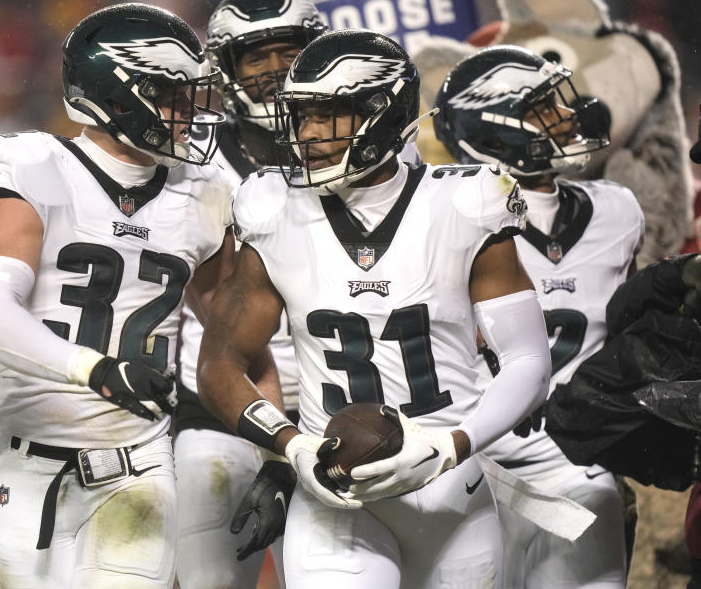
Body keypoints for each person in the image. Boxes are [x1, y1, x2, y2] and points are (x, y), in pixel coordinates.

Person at [197, 29, 551, 588]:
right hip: (333, 487)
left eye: (326, 115)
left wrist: (448, 445)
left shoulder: (466, 200)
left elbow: (529, 360)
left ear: (381, 114)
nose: (307, 134)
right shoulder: (270, 207)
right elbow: (220, 363)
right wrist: (291, 447)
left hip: (449, 483)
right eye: (301, 115)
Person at [0, 3, 236, 588]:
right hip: (28, 457)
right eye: (171, 94)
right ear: (116, 96)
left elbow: (236, 333)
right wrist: (95, 369)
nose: (188, 112)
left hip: (140, 457)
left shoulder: (208, 192)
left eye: (192, 94)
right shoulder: (33, 163)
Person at [432, 44, 639, 589]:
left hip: (576, 467)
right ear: (494, 132)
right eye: (544, 109)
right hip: (463, 467)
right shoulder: (440, 220)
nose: (568, 116)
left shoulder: (618, 211)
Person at [173, 0, 324, 588]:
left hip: (333, 408)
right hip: (220, 405)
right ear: (227, 69)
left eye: (287, 50)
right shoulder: (192, 156)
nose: (275, 69)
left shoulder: (362, 140)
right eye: (255, 56)